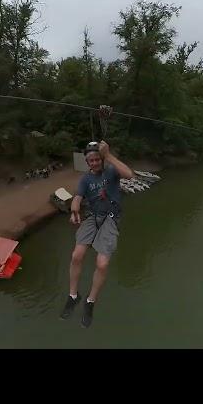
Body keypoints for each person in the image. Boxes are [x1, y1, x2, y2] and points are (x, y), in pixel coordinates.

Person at [60, 140, 134, 328]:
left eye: (97, 159)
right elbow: (78, 196)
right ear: (87, 163)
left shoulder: (111, 171)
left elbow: (129, 174)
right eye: (91, 161)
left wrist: (108, 155)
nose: (94, 163)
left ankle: (90, 301)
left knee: (102, 264)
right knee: (76, 255)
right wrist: (75, 208)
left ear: (101, 159)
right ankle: (73, 296)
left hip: (110, 219)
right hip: (93, 217)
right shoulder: (86, 179)